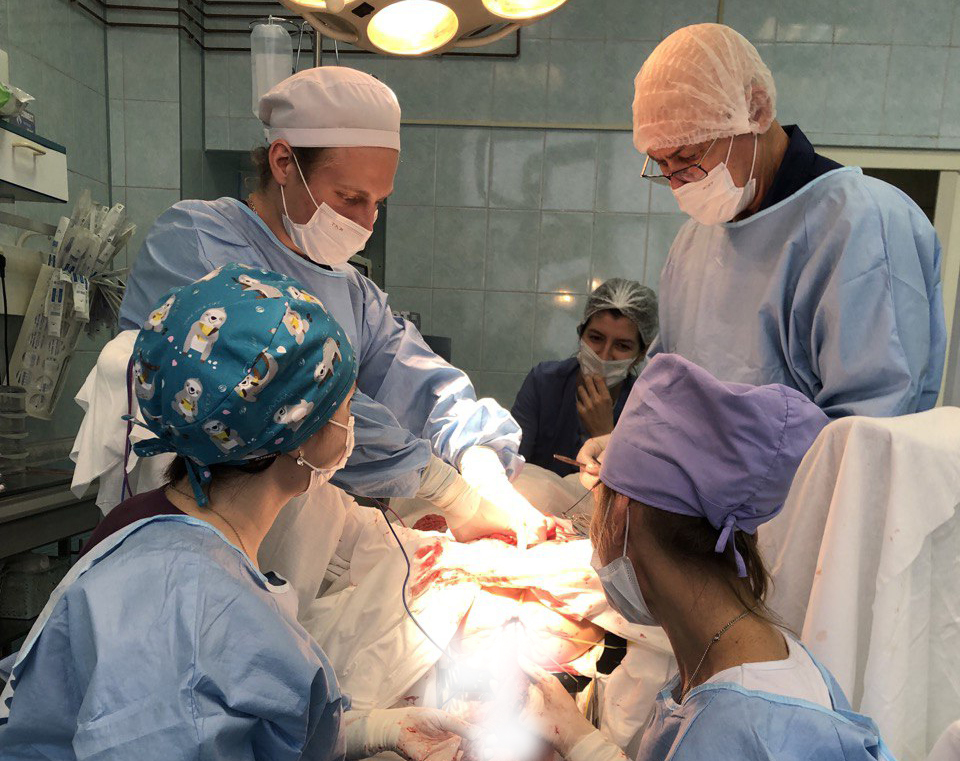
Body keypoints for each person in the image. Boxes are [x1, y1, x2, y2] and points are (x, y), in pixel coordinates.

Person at [0, 264, 474, 760]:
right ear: (297, 436)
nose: (353, 425)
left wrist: (368, 729)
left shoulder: (161, 530)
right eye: (347, 407)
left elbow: (231, 718)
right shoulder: (189, 610)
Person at [114, 66, 550, 547]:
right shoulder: (198, 240)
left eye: (378, 202)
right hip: (188, 524)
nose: (366, 221)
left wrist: (477, 456)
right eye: (350, 197)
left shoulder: (353, 292)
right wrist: (443, 487)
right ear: (283, 162)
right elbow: (292, 395)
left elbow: (419, 381)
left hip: (300, 536)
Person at [518, 354, 899, 761]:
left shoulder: (734, 725)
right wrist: (579, 740)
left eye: (600, 499)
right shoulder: (755, 657)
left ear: (623, 512)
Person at [631, 23, 944, 420]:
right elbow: (669, 386)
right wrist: (631, 441)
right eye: (661, 165)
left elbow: (870, 424)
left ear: (756, 111)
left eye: (688, 156)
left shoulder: (863, 223)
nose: (678, 182)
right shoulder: (694, 241)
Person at [512, 279, 657, 477]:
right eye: (596, 338)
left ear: (641, 354)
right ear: (581, 334)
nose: (604, 356)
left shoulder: (645, 408)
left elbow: (634, 487)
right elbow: (512, 462)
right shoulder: (544, 382)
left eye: (622, 346)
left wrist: (604, 436)